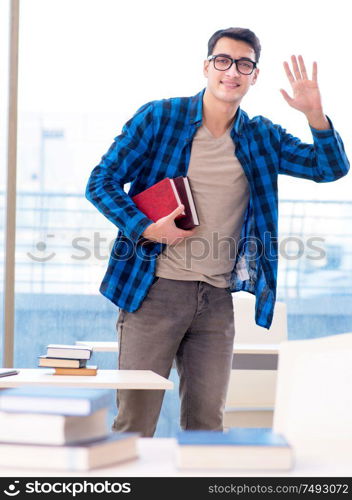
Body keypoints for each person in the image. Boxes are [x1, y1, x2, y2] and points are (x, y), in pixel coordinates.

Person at [85, 27, 349, 437]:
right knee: (135, 425)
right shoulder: (161, 117)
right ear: (207, 67)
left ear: (254, 76)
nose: (233, 71)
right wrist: (146, 227)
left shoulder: (261, 136)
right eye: (223, 61)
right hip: (154, 291)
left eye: (244, 64)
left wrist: (315, 116)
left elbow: (327, 168)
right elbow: (100, 181)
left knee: (207, 428)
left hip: (216, 299)